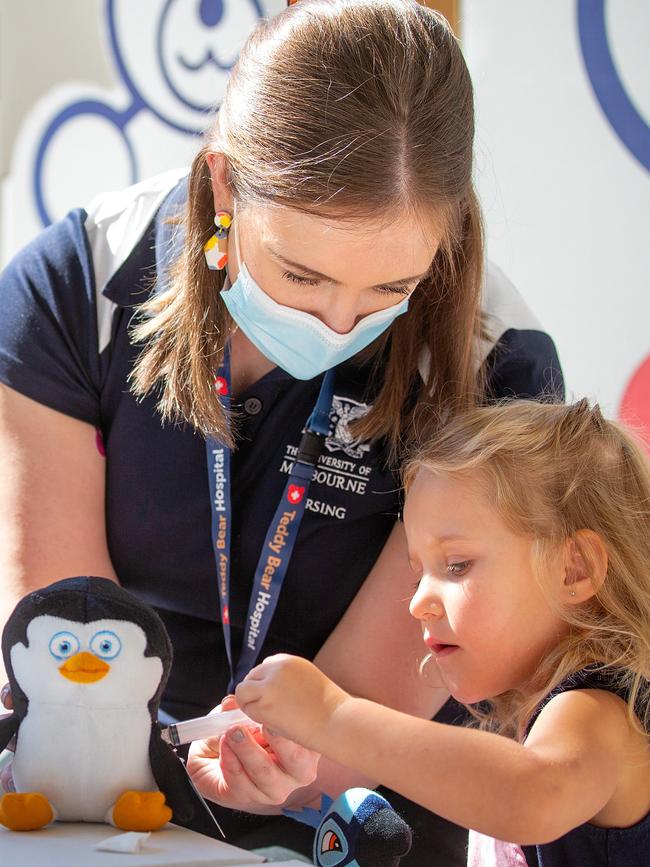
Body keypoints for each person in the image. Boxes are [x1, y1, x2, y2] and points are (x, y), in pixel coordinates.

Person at [0, 1, 562, 861]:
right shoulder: (75, 282)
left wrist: (305, 759)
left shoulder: (499, 368)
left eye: (390, 288)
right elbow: (64, 630)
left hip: (357, 822)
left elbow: (368, 708)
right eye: (302, 274)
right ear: (226, 185)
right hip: (97, 794)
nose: (339, 322)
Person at [234, 399, 650, 865]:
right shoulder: (542, 717)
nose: (417, 603)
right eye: (418, 575)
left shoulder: (603, 709)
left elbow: (531, 793)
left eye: (456, 566)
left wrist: (331, 717)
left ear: (574, 569)